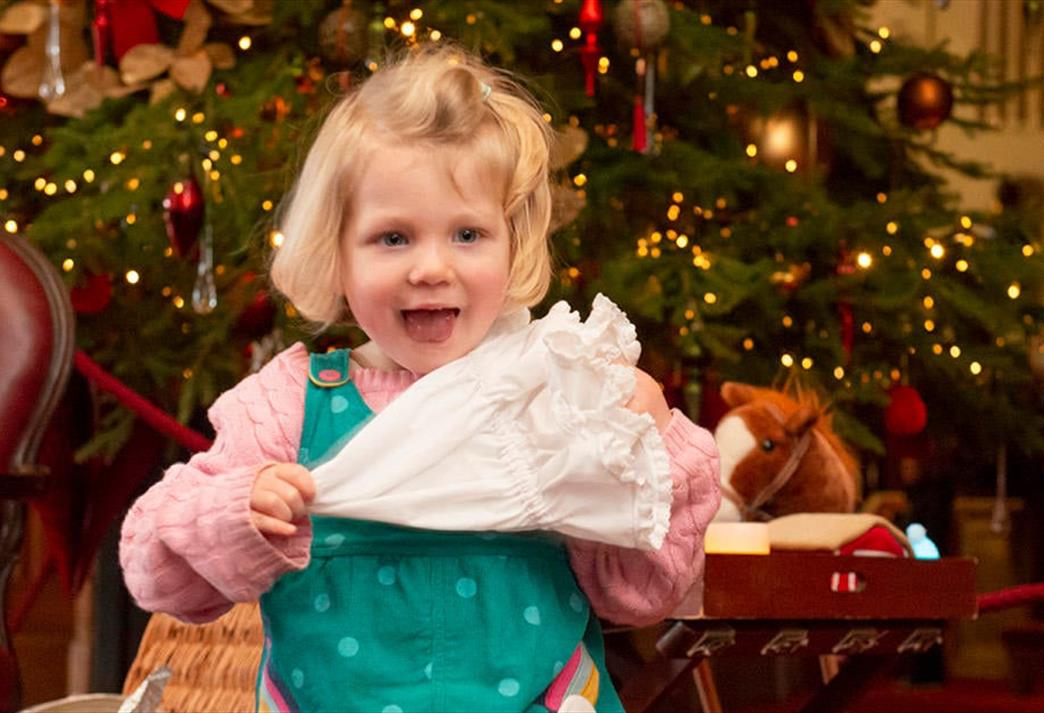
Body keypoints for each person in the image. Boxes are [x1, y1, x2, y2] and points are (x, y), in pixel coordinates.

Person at [120, 44, 720, 713]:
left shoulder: (554, 401)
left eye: (467, 234)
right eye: (393, 238)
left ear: (512, 243)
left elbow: (643, 594)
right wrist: (236, 512)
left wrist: (654, 442)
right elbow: (154, 571)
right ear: (334, 253)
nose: (431, 267)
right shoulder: (287, 406)